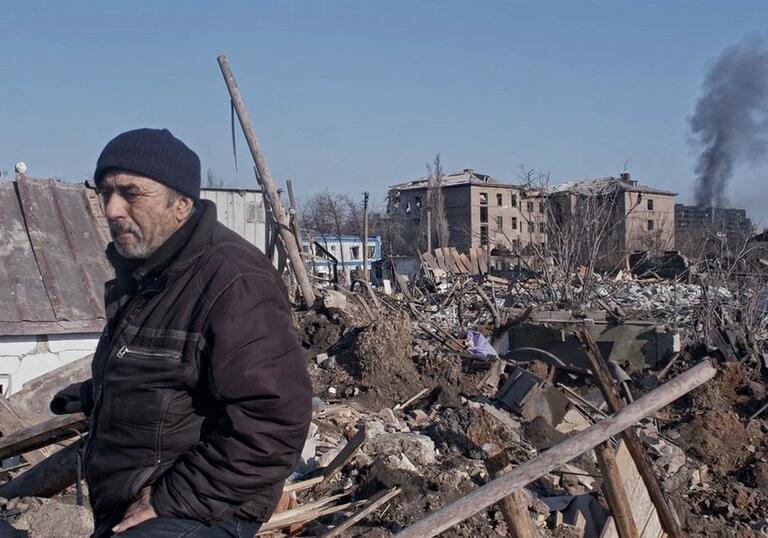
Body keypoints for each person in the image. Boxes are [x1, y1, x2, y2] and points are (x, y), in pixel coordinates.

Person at [50, 128, 312, 537]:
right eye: (105, 192)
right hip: (133, 497)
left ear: (181, 203)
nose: (112, 209)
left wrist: (170, 498)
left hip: (203, 506)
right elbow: (170, 372)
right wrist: (96, 392)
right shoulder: (145, 272)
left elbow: (275, 421)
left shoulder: (233, 280)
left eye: (131, 193)